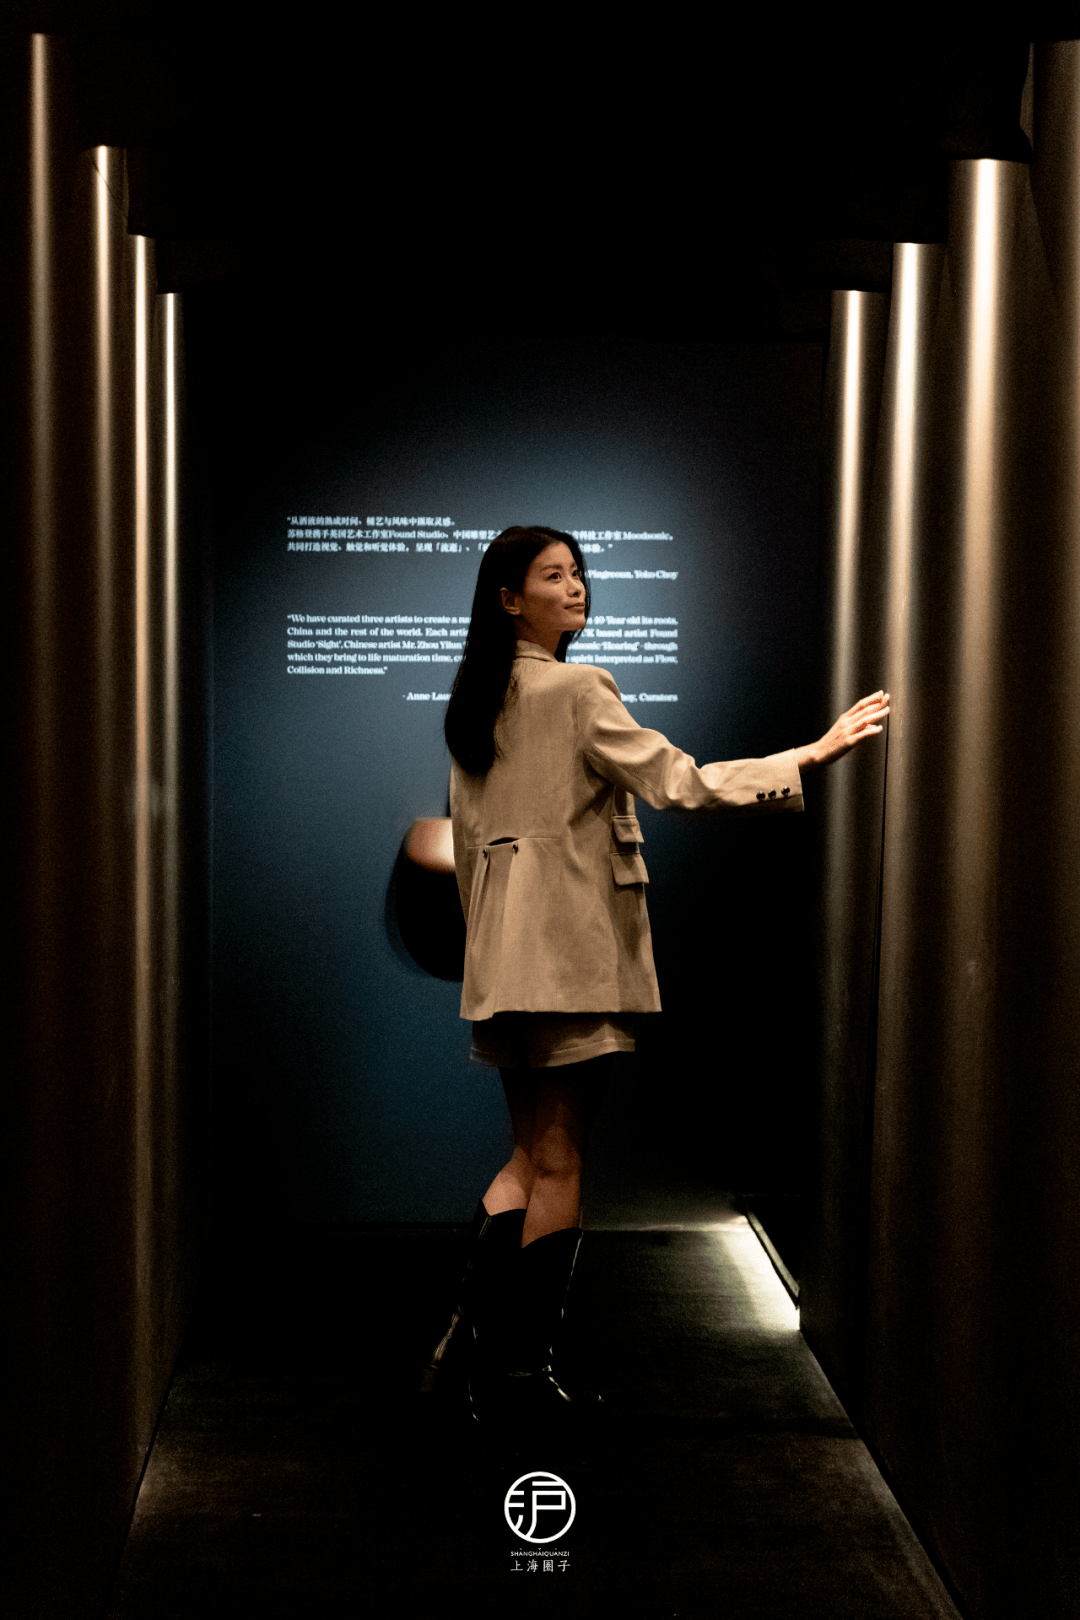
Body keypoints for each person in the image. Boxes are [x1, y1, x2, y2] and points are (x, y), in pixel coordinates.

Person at [418, 525, 889, 1425]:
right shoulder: (577, 688)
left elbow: (471, 844)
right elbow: (681, 783)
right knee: (562, 1161)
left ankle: (458, 1353)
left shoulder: (478, 699)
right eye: (553, 576)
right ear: (510, 600)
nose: (576, 587)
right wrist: (809, 756)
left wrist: (490, 959)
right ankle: (520, 1376)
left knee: (526, 1154)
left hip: (507, 965)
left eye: (577, 572)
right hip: (571, 960)